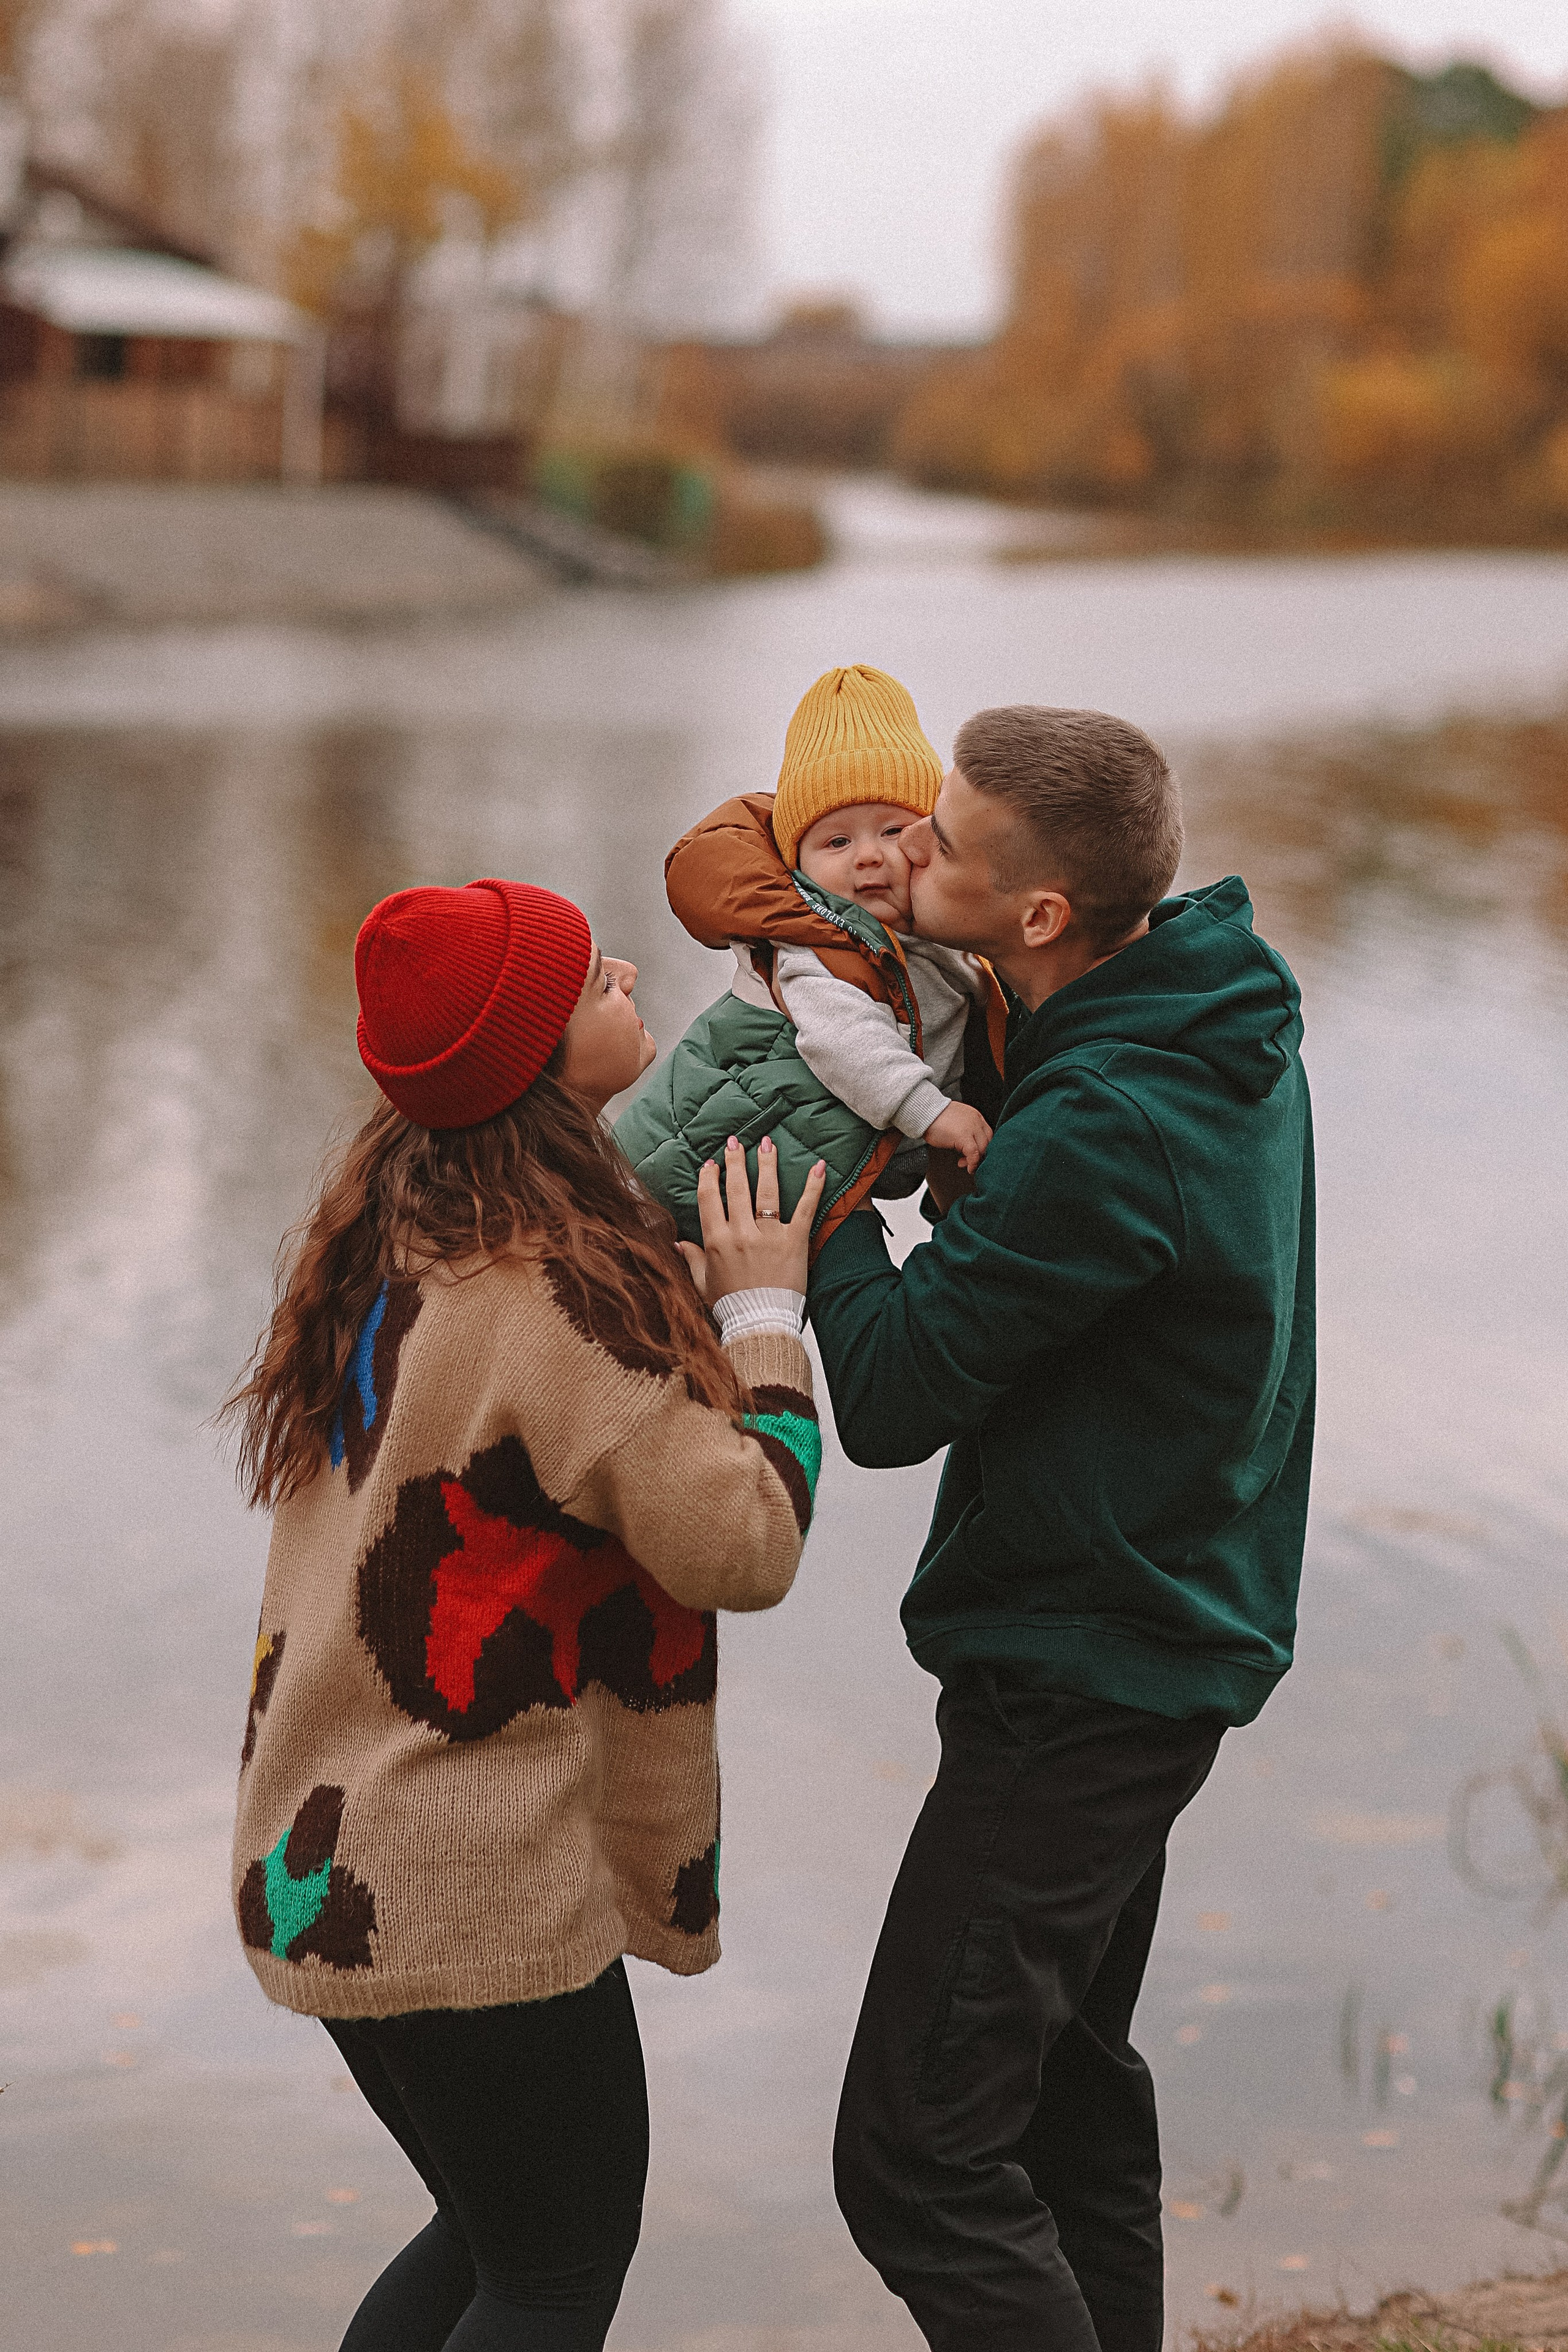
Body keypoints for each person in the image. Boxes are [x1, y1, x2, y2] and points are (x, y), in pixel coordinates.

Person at [224, 873, 826, 2352]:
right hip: (460, 1867)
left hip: (328, 1855)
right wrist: (764, 1317)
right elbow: (740, 1539)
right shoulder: (555, 1286)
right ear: (536, 1063)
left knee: (491, 2239)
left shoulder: (392, 1233)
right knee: (552, 2269)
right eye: (585, 982)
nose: (622, 969)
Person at [807, 707, 1316, 2352]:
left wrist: (806, 1236)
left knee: (915, 2158)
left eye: (942, 846)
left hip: (1082, 1675)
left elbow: (884, 1399)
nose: (907, 859)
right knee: (1064, 2101)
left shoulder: (1103, 1123)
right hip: (1158, 1626)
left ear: (1040, 918)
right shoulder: (1203, 1019)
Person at [615, 665, 1008, 1255]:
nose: (870, 857)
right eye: (838, 842)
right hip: (694, 1174)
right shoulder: (817, 945)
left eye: (894, 830)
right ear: (799, 864)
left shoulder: (932, 934)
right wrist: (931, 1112)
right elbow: (843, 1040)